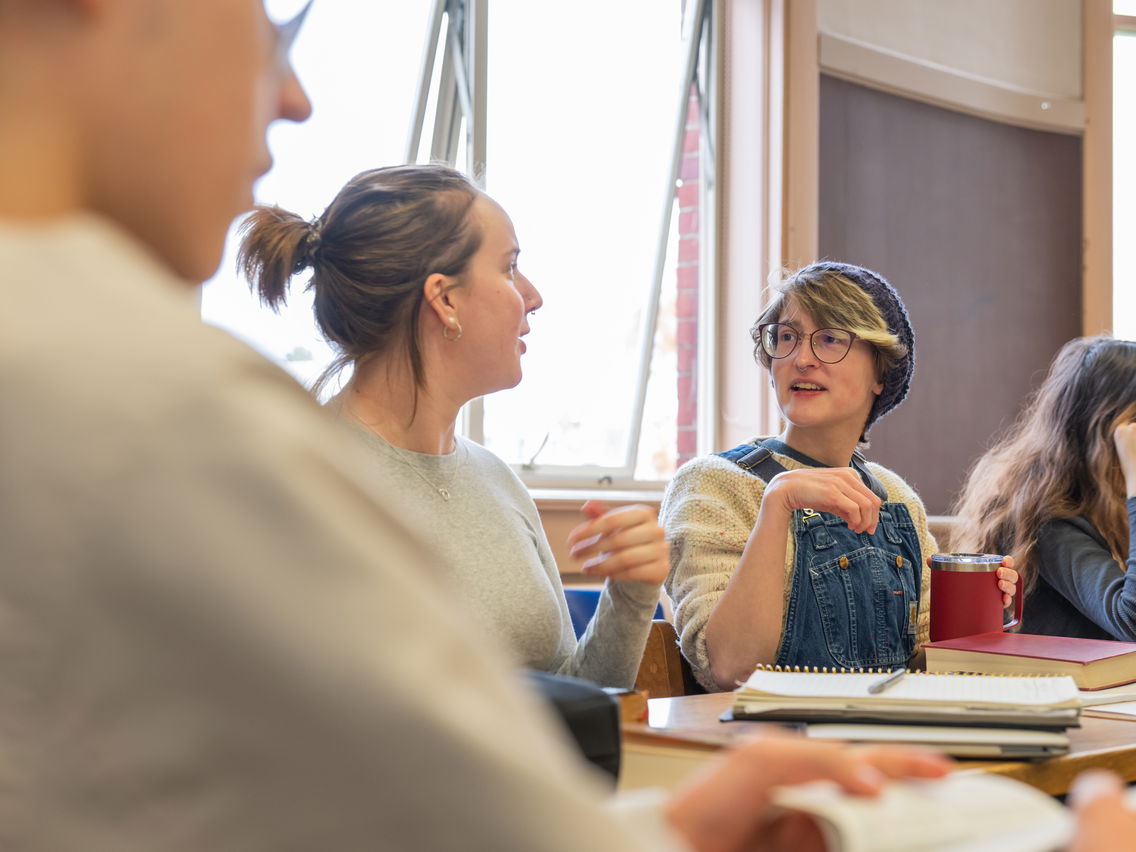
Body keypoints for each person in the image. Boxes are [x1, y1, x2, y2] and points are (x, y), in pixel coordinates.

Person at [0, 1, 1122, 849]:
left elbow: (537, 722)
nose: (289, 97)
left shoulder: (478, 472)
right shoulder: (187, 421)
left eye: (834, 341)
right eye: (258, 20)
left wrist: (633, 609)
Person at [236, 164, 667, 688]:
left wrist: (631, 596)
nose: (532, 296)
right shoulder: (306, 479)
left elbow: (573, 702)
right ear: (444, 299)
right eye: (509, 268)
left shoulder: (497, 480)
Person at [661, 262, 1019, 691]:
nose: (802, 359)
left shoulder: (897, 498)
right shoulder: (713, 484)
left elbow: (922, 668)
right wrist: (777, 506)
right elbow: (730, 668)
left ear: (882, 373)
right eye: (787, 337)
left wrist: (988, 621)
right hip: (766, 746)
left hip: (884, 740)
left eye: (830, 339)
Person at [952, 337, 1136, 639]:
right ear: (1109, 430)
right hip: (1063, 685)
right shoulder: (1045, 521)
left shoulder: (1111, 511)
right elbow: (1131, 619)